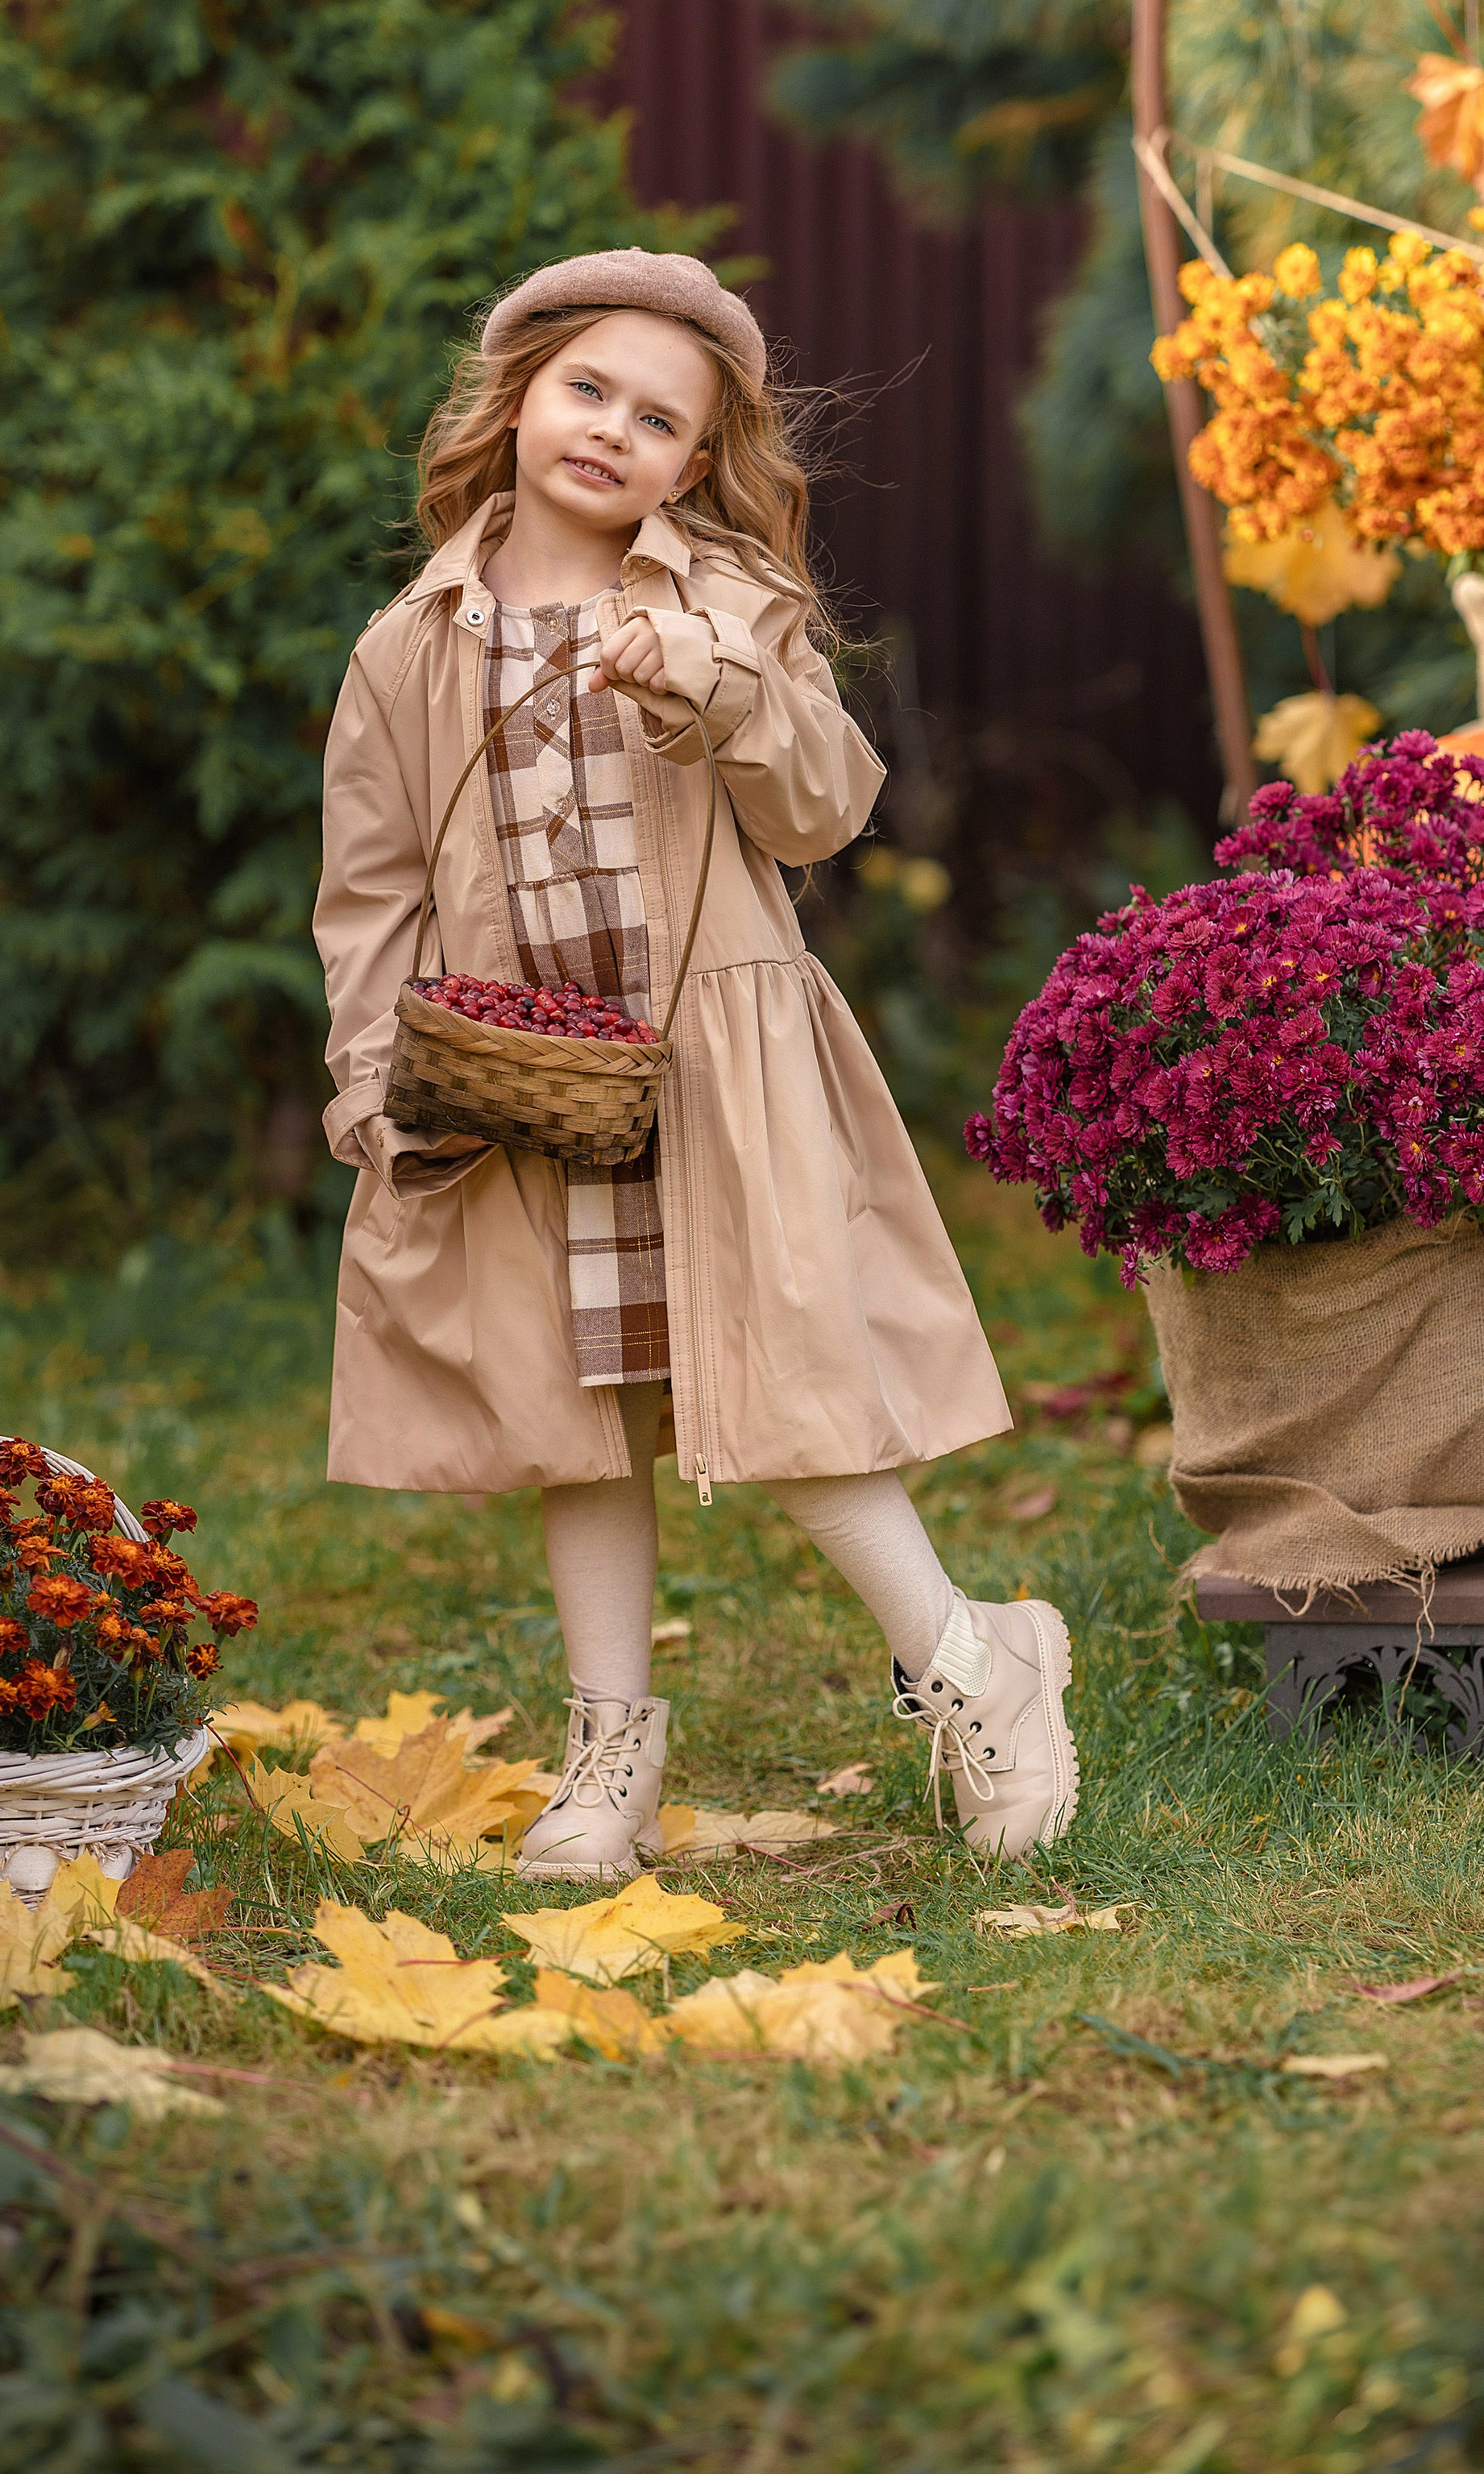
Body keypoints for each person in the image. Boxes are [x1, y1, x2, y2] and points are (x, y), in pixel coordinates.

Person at [313, 248, 1079, 1880]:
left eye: (656, 420)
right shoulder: (407, 647)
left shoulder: (724, 607)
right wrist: (377, 1086)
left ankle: (973, 1663)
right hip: (522, 1084)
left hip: (714, 1061)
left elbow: (823, 806)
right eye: (584, 388)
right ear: (515, 397)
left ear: (695, 463)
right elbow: (369, 894)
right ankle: (610, 1757)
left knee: (789, 1388)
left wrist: (721, 691)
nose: (608, 431)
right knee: (569, 1416)